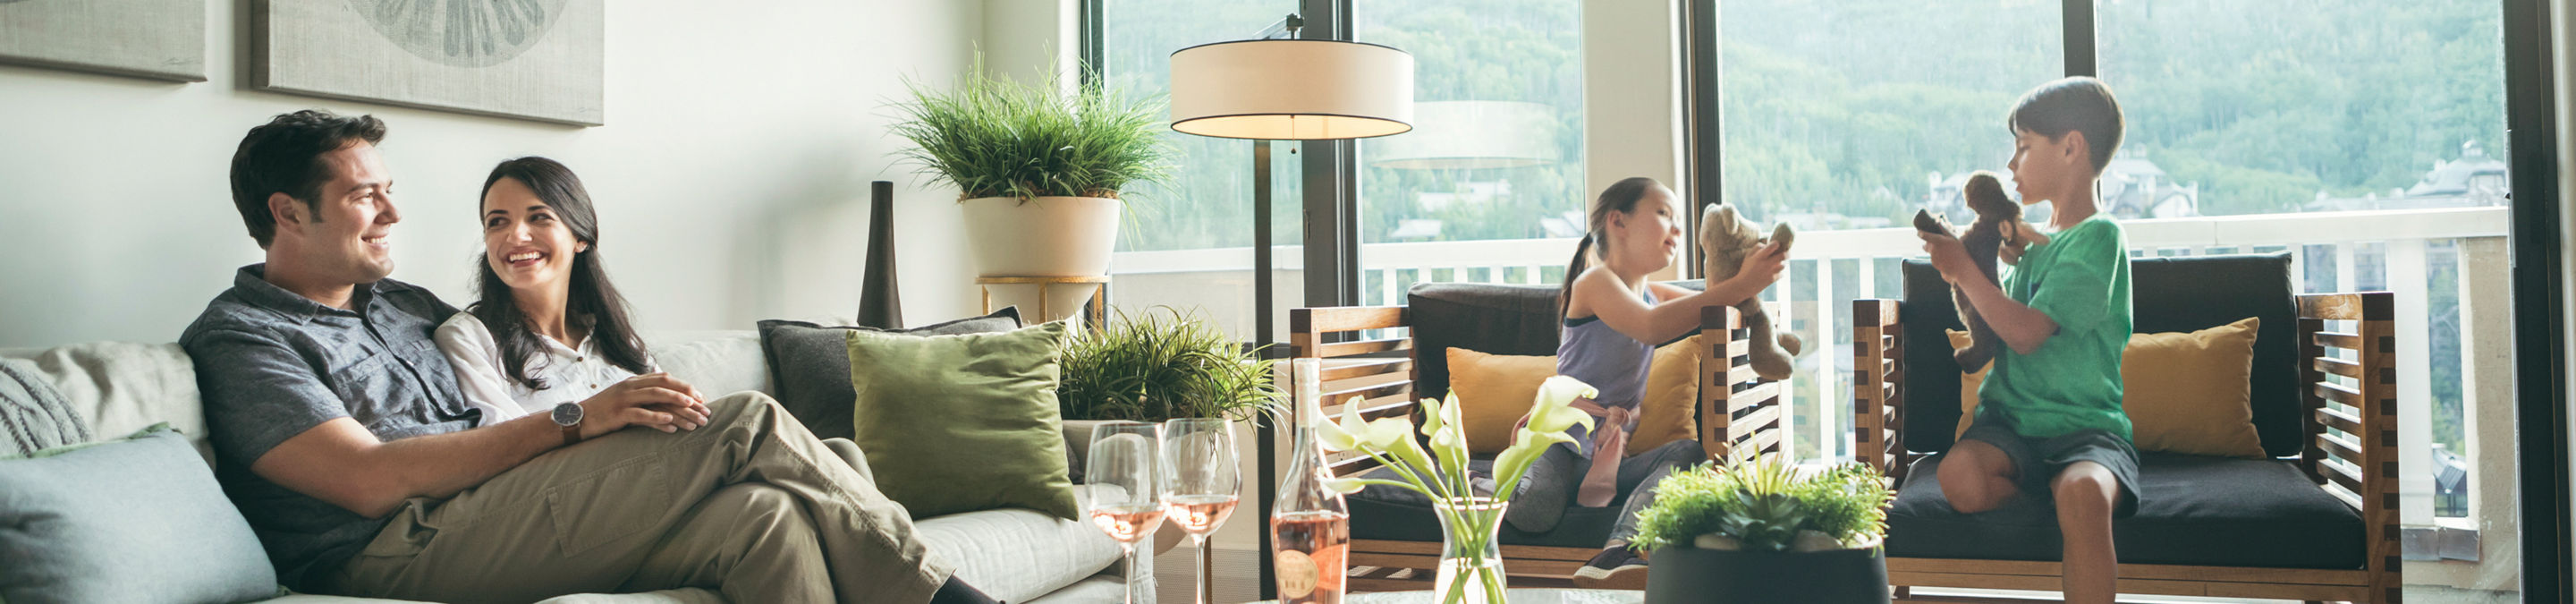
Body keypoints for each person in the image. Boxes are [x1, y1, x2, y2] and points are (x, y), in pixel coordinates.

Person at [180, 109, 996, 604]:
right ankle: (947, 596)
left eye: (388, 188)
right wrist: (578, 418)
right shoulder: (245, 336)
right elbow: (368, 479)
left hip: (496, 506)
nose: (393, 210)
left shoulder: (400, 305)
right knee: (743, 420)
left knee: (763, 519)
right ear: (287, 212)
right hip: (388, 550)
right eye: (365, 194)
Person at [1915, 76, 2138, 604]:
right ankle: (2050, 502)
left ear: (2071, 146)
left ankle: (2069, 500)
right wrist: (1982, 258)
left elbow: (2027, 333)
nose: (2011, 165)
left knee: (2084, 490)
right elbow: (1995, 323)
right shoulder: (2032, 243)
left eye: (2023, 146)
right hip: (2010, 429)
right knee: (1959, 476)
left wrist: (1964, 271)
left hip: (2085, 431)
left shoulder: (2099, 238)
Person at [1518, 176, 1787, 589]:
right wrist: (1744, 283)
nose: (1678, 228)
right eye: (1664, 214)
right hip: (1559, 444)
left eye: (1679, 219)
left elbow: (1714, 300)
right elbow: (1650, 328)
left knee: (1688, 453)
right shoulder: (1595, 281)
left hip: (1610, 457)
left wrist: (1747, 278)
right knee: (1534, 511)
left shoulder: (1654, 293)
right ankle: (1494, 483)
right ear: (1618, 222)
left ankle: (1619, 551)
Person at [434, 157, 667, 424]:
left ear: (580, 237)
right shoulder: (468, 338)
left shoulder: (614, 336)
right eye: (497, 222)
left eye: (539, 217)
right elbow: (499, 448)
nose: (516, 236)